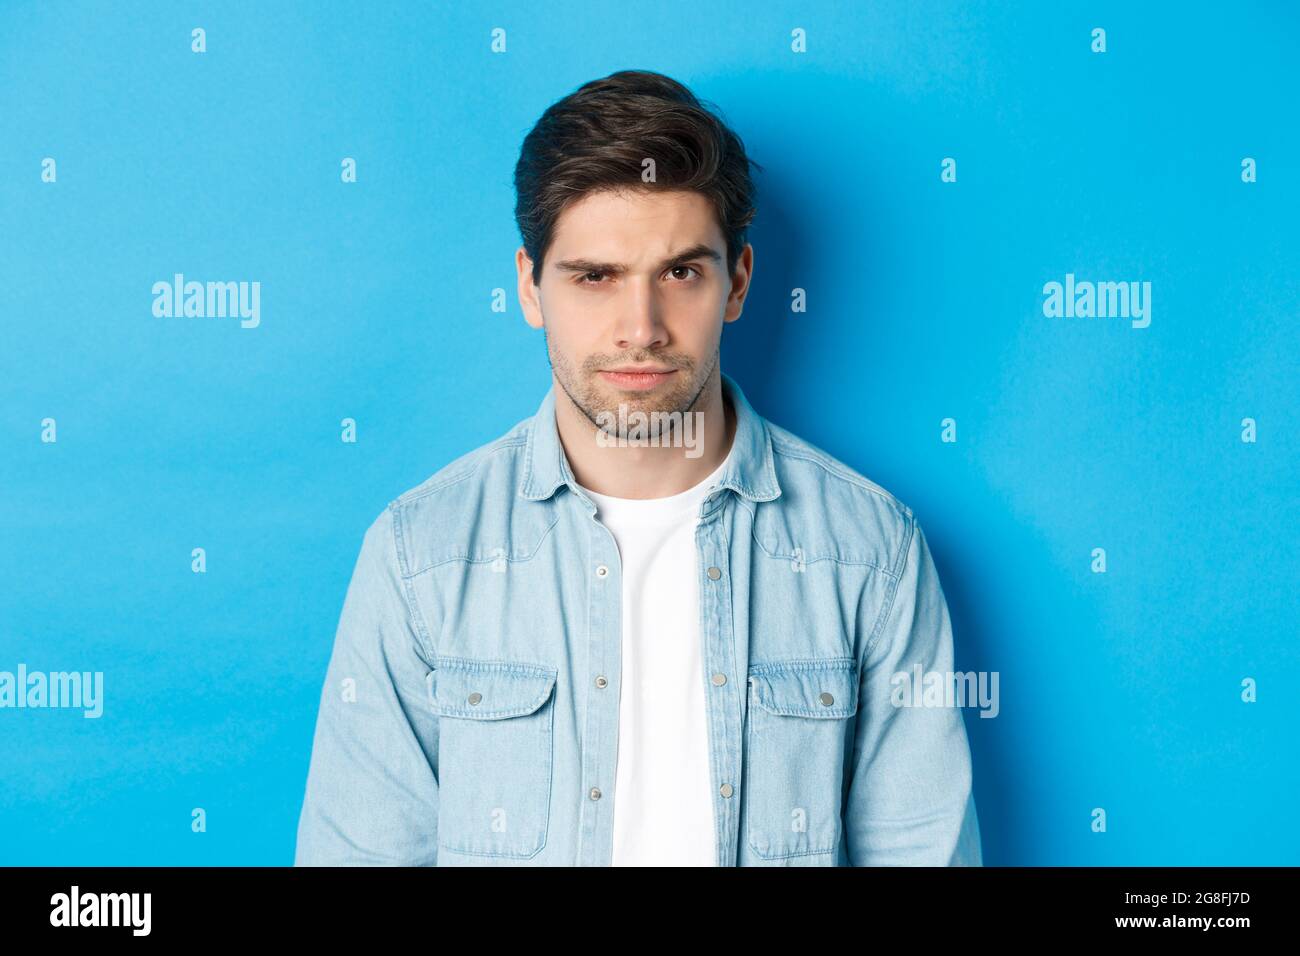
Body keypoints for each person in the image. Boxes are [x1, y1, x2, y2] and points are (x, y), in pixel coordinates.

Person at [294, 69, 982, 867]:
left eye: (680, 273)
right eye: (596, 277)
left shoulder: (870, 552)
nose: (641, 327)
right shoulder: (422, 555)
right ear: (529, 287)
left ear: (739, 283)